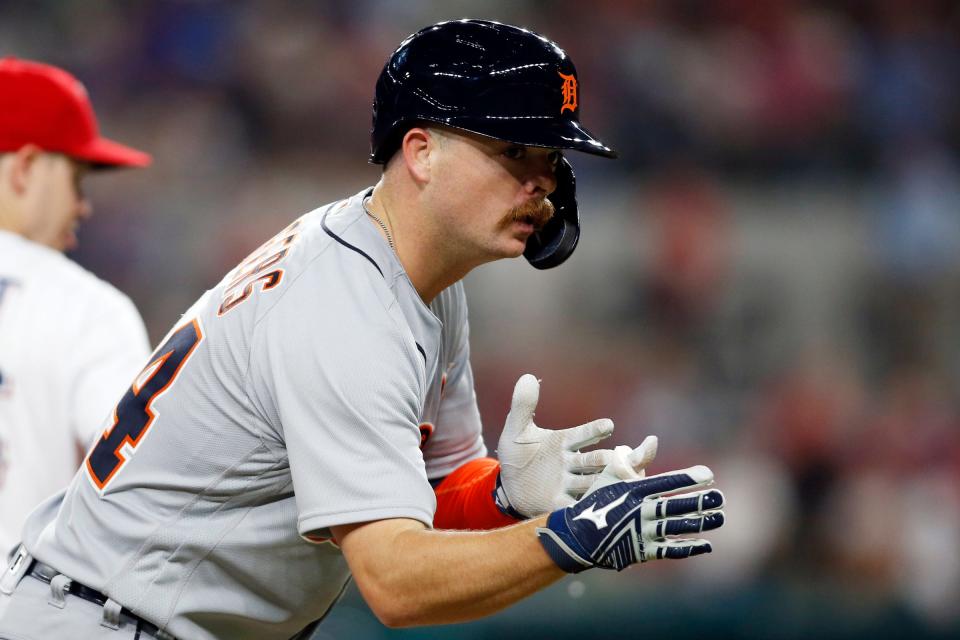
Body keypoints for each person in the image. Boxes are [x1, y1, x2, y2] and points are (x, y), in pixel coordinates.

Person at [0, 20, 724, 640]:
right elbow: (397, 582)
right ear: (420, 152)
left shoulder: (409, 274)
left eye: (548, 158)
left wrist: (503, 496)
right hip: (97, 620)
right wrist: (567, 541)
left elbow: (429, 496)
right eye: (514, 152)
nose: (541, 182)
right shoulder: (345, 302)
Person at [0, 57, 152, 557]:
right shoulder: (86, 309)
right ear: (24, 168)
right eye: (77, 181)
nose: (82, 206)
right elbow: (139, 483)